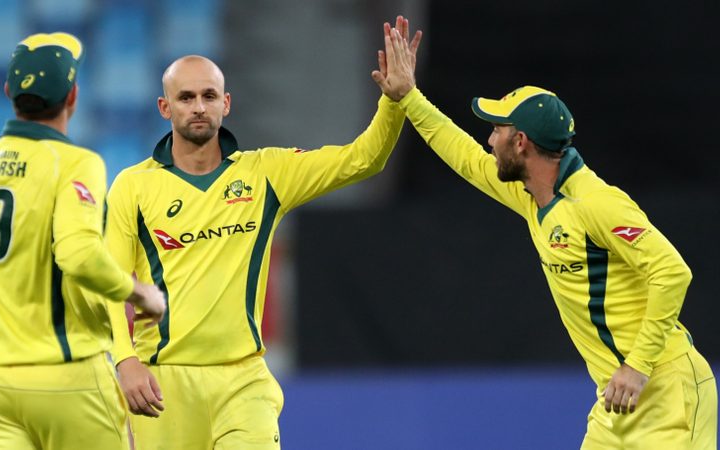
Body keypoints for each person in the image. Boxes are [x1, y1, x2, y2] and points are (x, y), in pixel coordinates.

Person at [380, 33, 718, 449]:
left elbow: (673, 272)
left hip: (667, 391)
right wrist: (409, 97)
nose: (489, 140)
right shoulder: (530, 195)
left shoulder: (595, 202)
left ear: (520, 142)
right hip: (616, 401)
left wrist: (637, 366)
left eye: (497, 130)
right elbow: (465, 158)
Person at [104, 17, 421, 449]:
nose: (198, 107)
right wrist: (124, 360)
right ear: (165, 107)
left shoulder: (265, 172)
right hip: (164, 381)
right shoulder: (133, 186)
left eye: (209, 96)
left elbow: (363, 160)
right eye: (186, 97)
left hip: (243, 381)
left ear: (226, 103)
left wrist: (395, 102)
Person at [0, 32, 166, 450]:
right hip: (68, 374)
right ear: (73, 96)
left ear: (8, 92)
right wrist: (139, 294)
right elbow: (78, 254)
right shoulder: (76, 163)